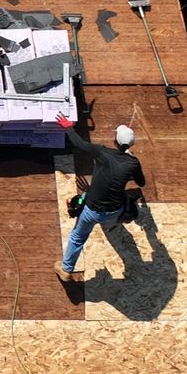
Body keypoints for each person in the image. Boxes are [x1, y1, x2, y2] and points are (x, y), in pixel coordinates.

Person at [54, 117, 145, 281]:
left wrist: (68, 127)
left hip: (92, 212)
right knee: (127, 196)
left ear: (115, 141)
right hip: (115, 211)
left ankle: (66, 269)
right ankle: (124, 217)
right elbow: (141, 183)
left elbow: (79, 143)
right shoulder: (133, 163)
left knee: (77, 237)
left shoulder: (103, 153)